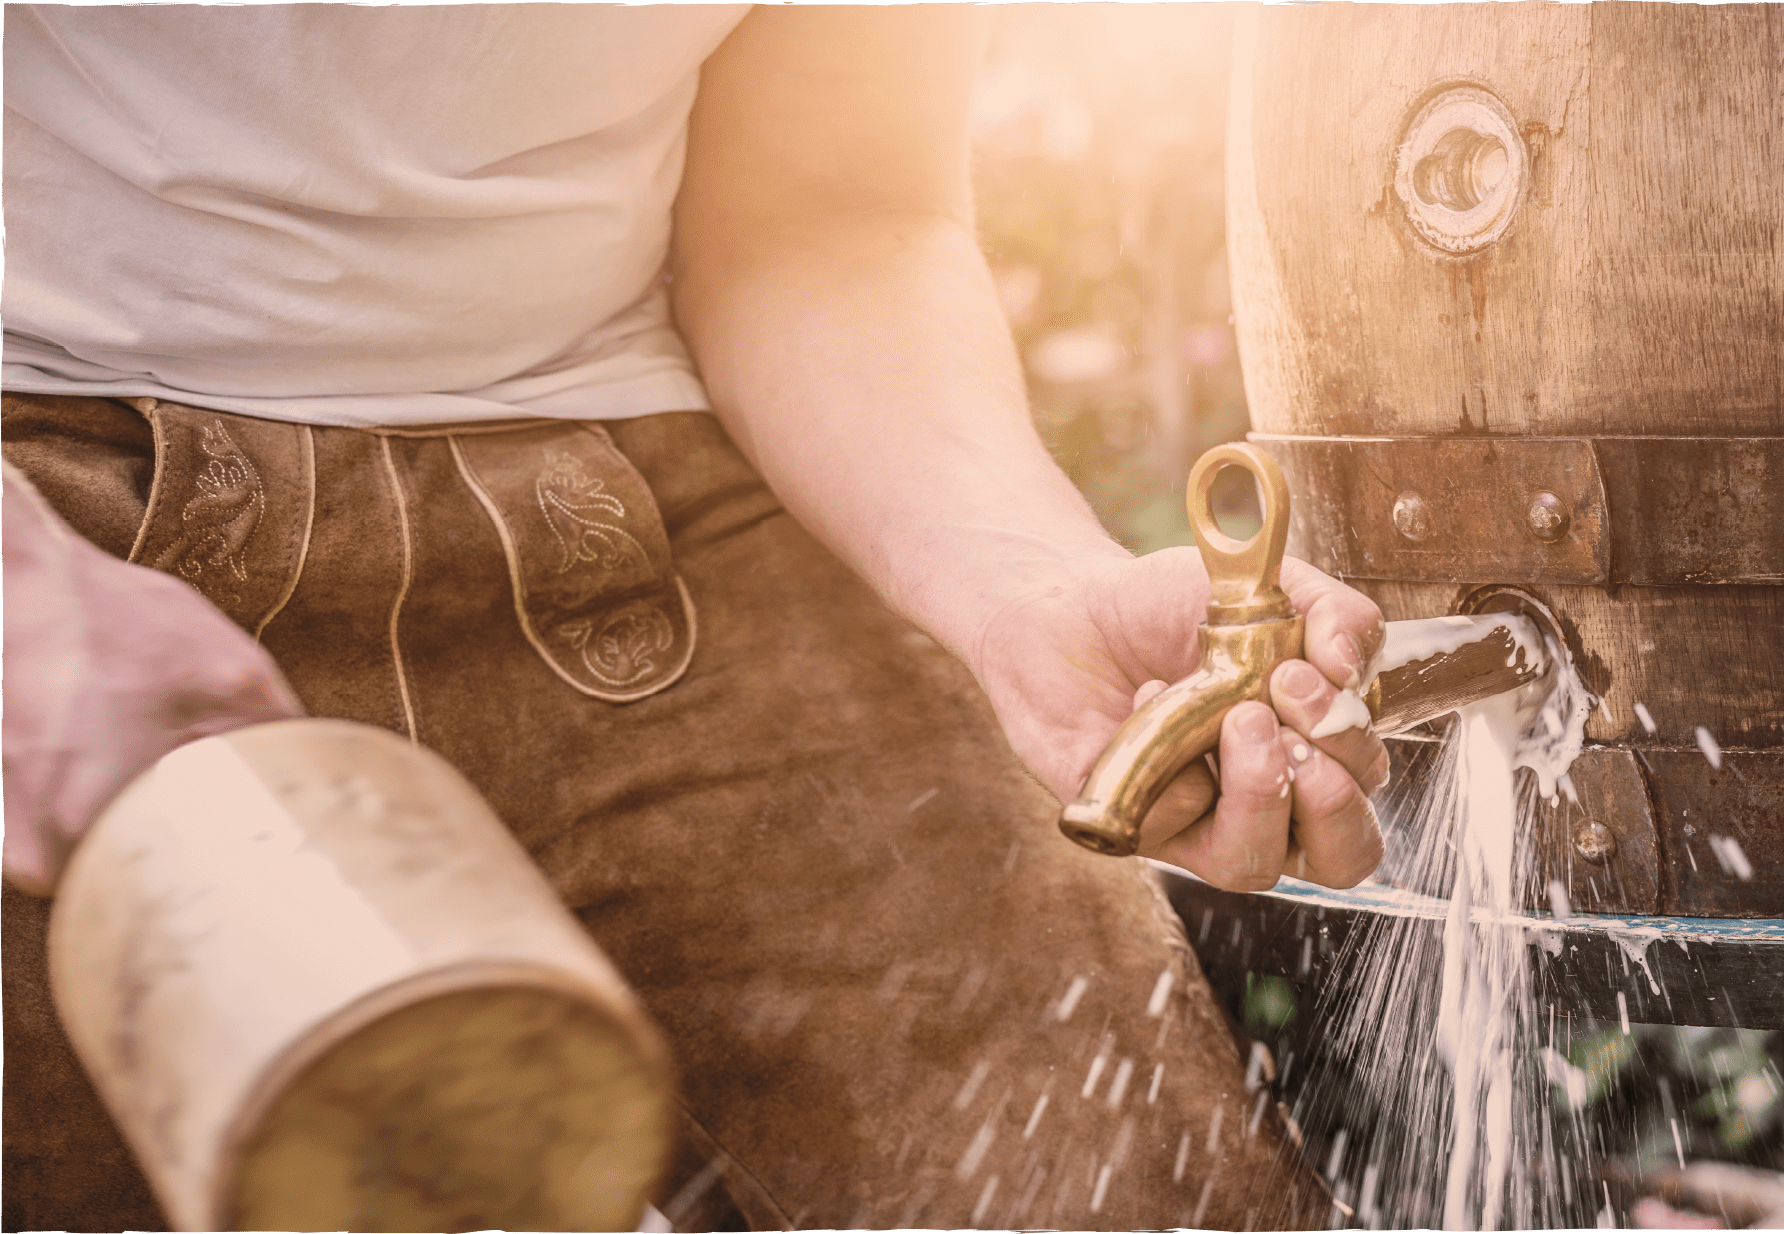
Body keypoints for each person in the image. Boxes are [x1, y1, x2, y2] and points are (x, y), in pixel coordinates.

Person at [0, 6, 1390, 1230]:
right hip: (52, 491)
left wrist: (1025, 583)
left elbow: (827, 212)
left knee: (1109, 1187)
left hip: (638, 495)